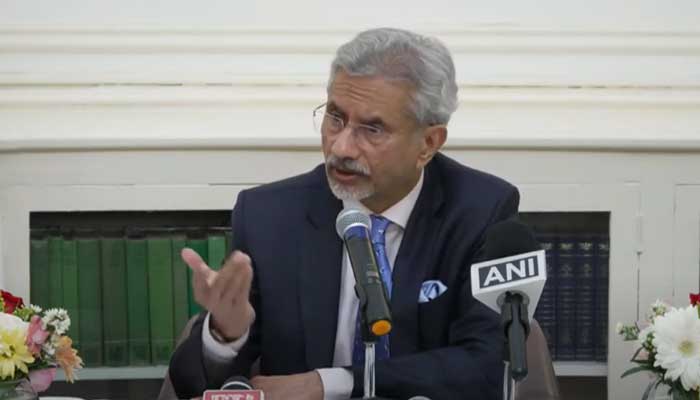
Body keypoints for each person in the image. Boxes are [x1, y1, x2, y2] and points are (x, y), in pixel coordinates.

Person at [169, 27, 519, 400]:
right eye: (335, 118)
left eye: (372, 128)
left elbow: (484, 367)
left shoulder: (481, 211)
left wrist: (330, 382)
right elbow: (191, 380)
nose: (342, 146)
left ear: (428, 143)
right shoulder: (268, 217)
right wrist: (225, 334)